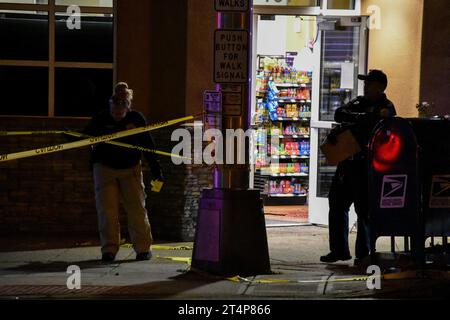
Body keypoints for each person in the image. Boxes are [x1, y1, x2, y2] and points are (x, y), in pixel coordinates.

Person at [320, 70, 397, 265]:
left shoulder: (386, 107)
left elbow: (375, 122)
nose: (365, 86)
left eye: (369, 83)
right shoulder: (359, 102)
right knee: (336, 204)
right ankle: (338, 250)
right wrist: (360, 117)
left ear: (379, 87)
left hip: (367, 165)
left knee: (364, 211)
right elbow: (340, 113)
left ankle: (363, 254)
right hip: (347, 162)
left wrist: (358, 118)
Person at [84, 82, 163, 263]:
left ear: (128, 108)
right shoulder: (102, 118)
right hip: (104, 169)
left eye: (120, 111)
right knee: (107, 211)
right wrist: (70, 136)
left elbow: (148, 146)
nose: (117, 114)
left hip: (130, 169)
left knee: (136, 209)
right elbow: (85, 135)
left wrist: (156, 170)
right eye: (114, 110)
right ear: (110, 106)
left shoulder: (136, 119)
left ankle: (143, 248)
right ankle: (109, 250)